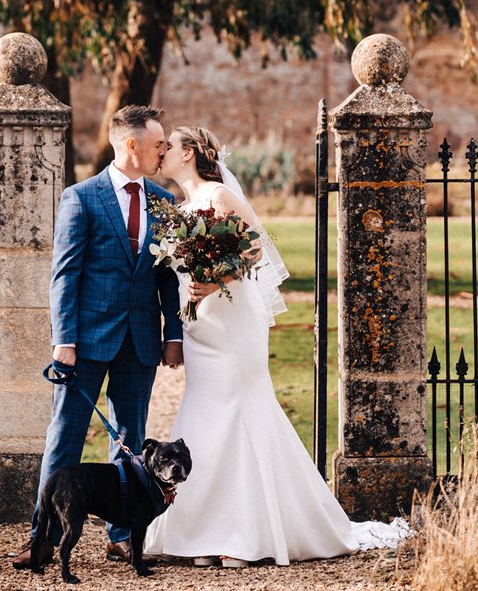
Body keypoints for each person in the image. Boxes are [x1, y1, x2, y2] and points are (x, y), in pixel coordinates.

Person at [144, 125, 407, 568]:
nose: (161, 153)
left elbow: (255, 247)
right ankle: (202, 532)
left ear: (188, 153)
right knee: (204, 413)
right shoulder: (179, 208)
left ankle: (245, 533)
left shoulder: (219, 196)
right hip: (200, 325)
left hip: (232, 319)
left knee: (242, 409)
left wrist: (216, 282)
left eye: (167, 146)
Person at [12, 105, 183, 571]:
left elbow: (167, 277)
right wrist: (63, 339)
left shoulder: (163, 201)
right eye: (158, 144)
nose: (163, 151)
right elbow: (64, 275)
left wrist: (174, 334)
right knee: (64, 439)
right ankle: (41, 540)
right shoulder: (81, 198)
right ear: (132, 145)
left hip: (142, 341)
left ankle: (122, 536)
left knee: (131, 442)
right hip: (84, 342)